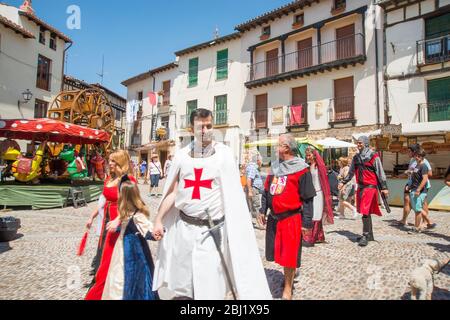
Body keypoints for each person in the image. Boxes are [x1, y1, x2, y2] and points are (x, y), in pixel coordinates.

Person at [152, 108, 271, 300]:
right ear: (192, 129)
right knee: (184, 284)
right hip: (185, 229)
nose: (205, 130)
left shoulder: (223, 154)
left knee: (210, 286)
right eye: (201, 126)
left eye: (209, 126)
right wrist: (158, 220)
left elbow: (233, 195)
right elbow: (173, 192)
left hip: (212, 230)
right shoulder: (182, 156)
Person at [257, 134, 316, 300]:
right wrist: (262, 209)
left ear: (287, 148)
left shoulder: (302, 169)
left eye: (278, 145)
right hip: (275, 218)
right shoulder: (275, 167)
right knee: (279, 253)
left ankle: (288, 289)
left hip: (291, 218)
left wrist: (306, 223)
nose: (276, 148)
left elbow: (308, 199)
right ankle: (289, 276)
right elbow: (266, 190)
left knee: (289, 255)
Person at [85, 150, 136, 300]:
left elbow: (131, 204)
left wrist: (118, 220)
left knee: (114, 259)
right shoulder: (109, 178)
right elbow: (103, 201)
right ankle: (102, 287)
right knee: (104, 257)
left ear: (121, 162)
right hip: (107, 221)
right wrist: (93, 216)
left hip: (120, 223)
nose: (110, 163)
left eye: (113, 161)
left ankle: (109, 291)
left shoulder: (128, 180)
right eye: (110, 160)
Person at [102, 178, 159, 300]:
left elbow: (148, 230)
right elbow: (124, 222)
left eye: (119, 193)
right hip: (121, 246)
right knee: (117, 274)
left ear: (125, 196)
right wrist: (116, 224)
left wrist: (157, 232)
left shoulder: (138, 215)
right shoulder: (126, 210)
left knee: (130, 277)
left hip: (133, 251)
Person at [339, 136, 389, 247]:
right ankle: (370, 235)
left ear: (366, 143)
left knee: (365, 211)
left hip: (370, 187)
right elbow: (351, 172)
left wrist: (384, 187)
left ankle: (365, 235)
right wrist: (343, 182)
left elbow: (380, 173)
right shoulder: (356, 158)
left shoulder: (374, 156)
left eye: (360, 143)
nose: (358, 145)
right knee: (364, 211)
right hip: (361, 187)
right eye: (357, 143)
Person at [303, 147, 334, 245]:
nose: (308, 157)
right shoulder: (307, 166)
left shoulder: (319, 166)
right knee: (311, 214)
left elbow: (324, 180)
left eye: (309, 155)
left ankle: (312, 237)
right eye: (307, 155)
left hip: (318, 193)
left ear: (314, 154)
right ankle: (319, 236)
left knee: (316, 214)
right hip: (310, 194)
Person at [399, 144, 433, 227]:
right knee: (407, 200)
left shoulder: (423, 161)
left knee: (422, 204)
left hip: (420, 186)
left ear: (414, 152)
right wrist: (408, 172)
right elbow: (412, 170)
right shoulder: (412, 160)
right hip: (411, 184)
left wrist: (419, 186)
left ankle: (425, 222)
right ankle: (404, 220)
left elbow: (429, 174)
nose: (408, 153)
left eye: (409, 151)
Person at [408, 150, 435, 233]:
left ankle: (416, 228)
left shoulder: (423, 166)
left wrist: (418, 189)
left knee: (417, 210)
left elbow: (425, 179)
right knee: (417, 208)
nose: (416, 157)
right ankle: (430, 223)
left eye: (418, 156)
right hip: (414, 188)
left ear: (421, 157)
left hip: (419, 190)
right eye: (416, 155)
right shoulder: (417, 165)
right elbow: (415, 177)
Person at [246, 153, 265, 229]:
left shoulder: (251, 166)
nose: (262, 162)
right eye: (261, 160)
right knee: (256, 206)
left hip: (253, 189)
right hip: (253, 189)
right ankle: (260, 224)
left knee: (252, 207)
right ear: (258, 161)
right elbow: (249, 179)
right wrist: (250, 191)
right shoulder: (253, 167)